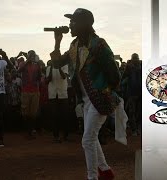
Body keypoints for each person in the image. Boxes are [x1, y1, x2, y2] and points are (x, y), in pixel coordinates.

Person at [50, 8, 120, 180]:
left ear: (84, 24)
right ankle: (105, 171)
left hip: (100, 99)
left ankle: (92, 177)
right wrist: (57, 42)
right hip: (85, 100)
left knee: (87, 139)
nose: (70, 24)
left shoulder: (98, 44)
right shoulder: (74, 46)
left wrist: (106, 92)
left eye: (74, 21)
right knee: (91, 137)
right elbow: (57, 63)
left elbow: (114, 75)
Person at [17, 50, 42, 139]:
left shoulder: (37, 65)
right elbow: (19, 71)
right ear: (28, 56)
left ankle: (30, 131)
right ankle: (28, 130)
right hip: (26, 91)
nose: (31, 57)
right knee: (25, 112)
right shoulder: (23, 64)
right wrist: (27, 62)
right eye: (30, 55)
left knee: (33, 113)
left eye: (33, 55)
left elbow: (39, 77)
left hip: (35, 91)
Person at [46, 59, 69, 143]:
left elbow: (64, 77)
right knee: (54, 116)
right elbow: (48, 80)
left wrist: (59, 67)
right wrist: (52, 67)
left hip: (63, 94)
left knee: (64, 116)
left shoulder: (64, 66)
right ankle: (56, 136)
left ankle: (65, 135)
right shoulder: (49, 68)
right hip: (52, 94)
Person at [122, 53, 142, 136]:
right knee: (132, 112)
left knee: (138, 112)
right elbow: (123, 77)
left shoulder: (141, 67)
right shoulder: (129, 67)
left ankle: (137, 128)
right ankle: (134, 129)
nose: (136, 60)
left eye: (136, 58)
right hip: (132, 93)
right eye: (134, 58)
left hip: (139, 92)